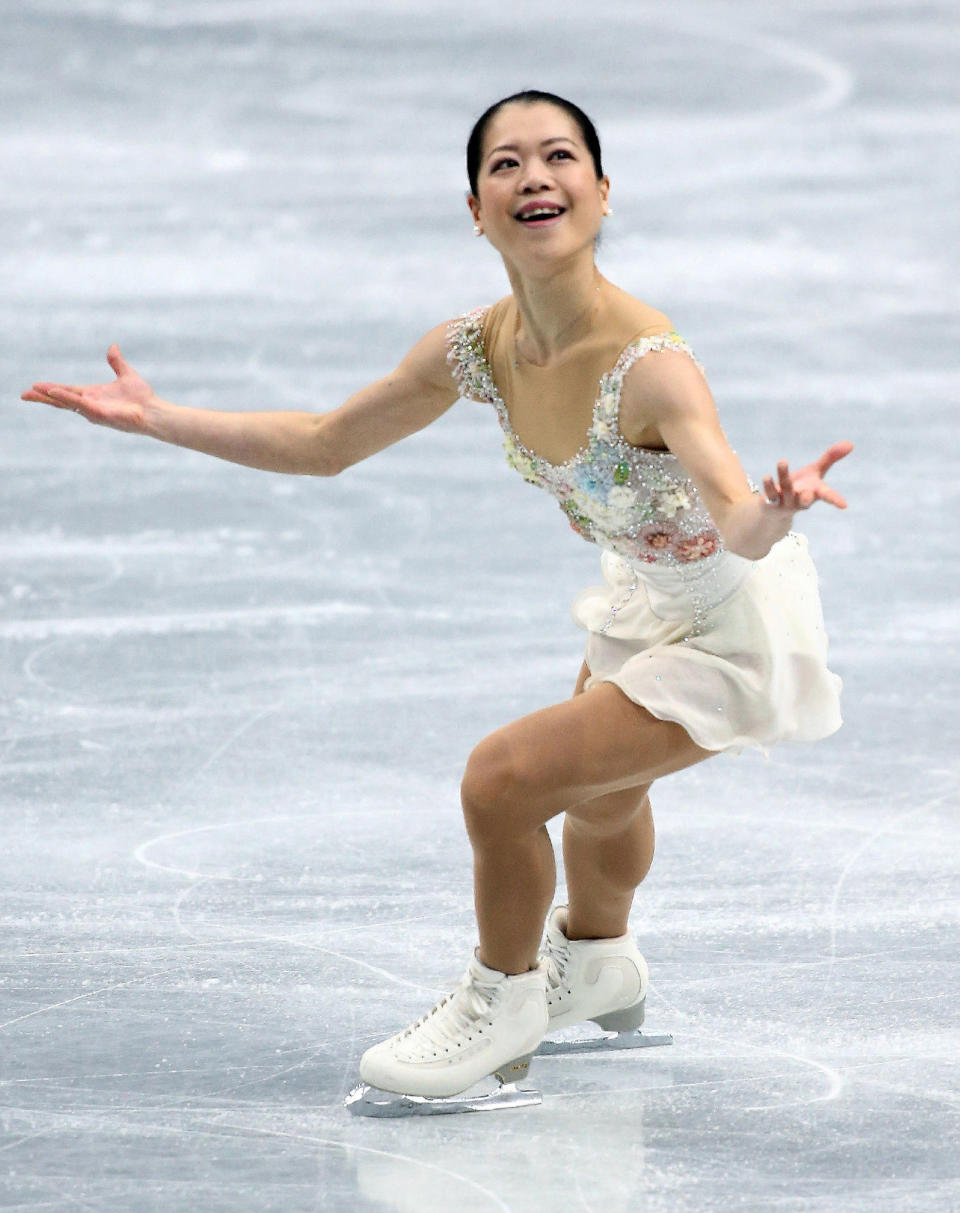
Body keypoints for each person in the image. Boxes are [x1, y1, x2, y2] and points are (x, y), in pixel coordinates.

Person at [21, 90, 851, 1113]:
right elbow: (325, 442)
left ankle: (500, 1010)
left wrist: (778, 509)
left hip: (733, 625)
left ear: (600, 190)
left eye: (559, 158)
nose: (534, 177)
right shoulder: (476, 347)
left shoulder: (654, 366)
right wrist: (158, 420)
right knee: (602, 797)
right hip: (647, 595)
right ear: (475, 207)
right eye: (506, 164)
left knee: (501, 780)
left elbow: (734, 516)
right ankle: (598, 962)